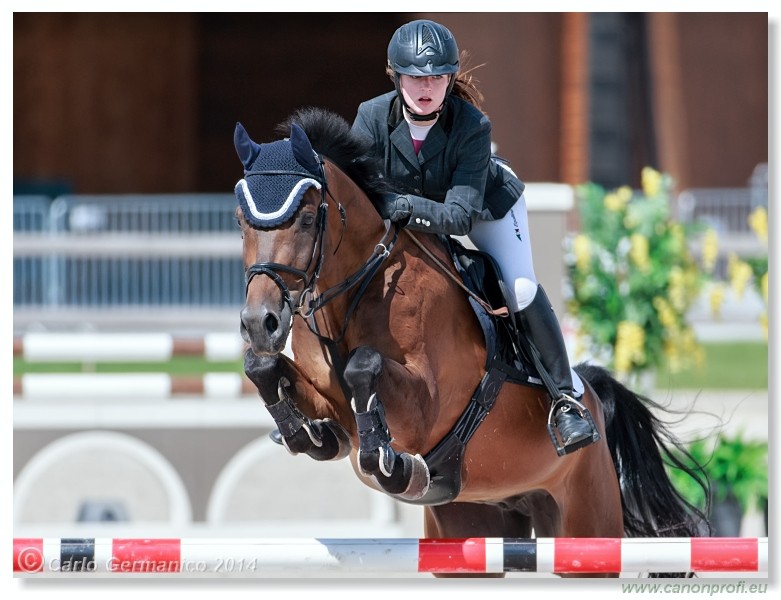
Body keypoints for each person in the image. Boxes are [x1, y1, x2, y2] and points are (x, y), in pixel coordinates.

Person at [351, 19, 595, 454]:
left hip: (485, 209)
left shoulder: (472, 125)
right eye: (415, 77)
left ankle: (566, 399)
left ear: (449, 79)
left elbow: (460, 218)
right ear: (395, 76)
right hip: (413, 213)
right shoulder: (371, 117)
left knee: (518, 287)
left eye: (437, 77)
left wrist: (402, 207)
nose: (426, 87)